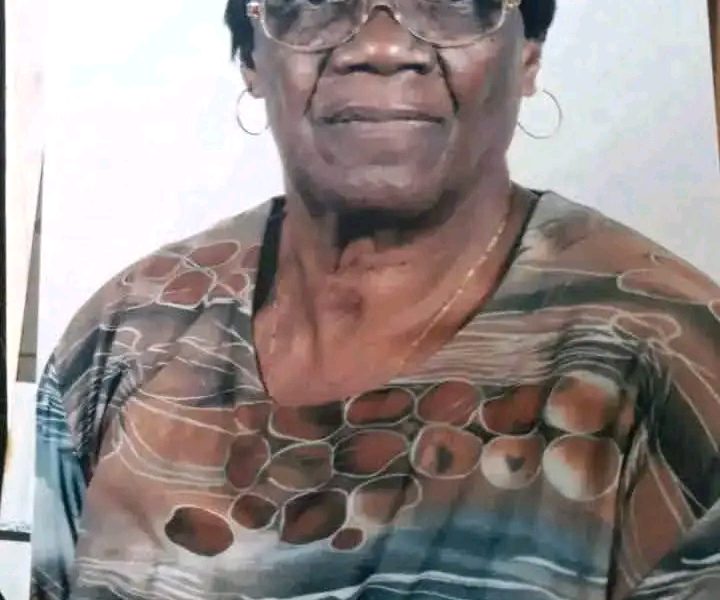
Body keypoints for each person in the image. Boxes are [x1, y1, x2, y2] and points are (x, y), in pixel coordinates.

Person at [32, 0, 720, 598]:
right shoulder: (126, 335)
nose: (383, 46)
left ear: (528, 54)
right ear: (250, 57)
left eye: (451, 0)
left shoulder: (674, 369)